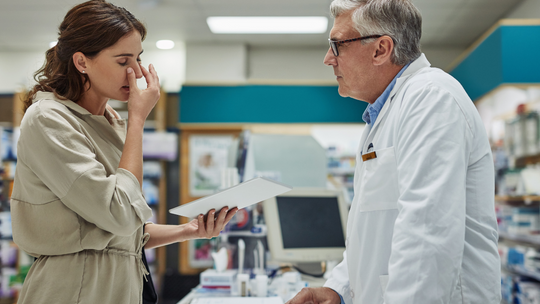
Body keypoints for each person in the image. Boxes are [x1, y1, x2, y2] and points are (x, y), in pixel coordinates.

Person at [10, 1, 238, 303]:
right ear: (81, 62)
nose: (137, 72)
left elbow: (127, 228)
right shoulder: (48, 119)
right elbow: (117, 214)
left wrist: (189, 231)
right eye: (123, 61)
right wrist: (138, 121)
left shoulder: (112, 121)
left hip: (121, 285)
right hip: (74, 289)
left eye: (138, 58)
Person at [287, 0, 501, 303]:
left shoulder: (431, 99)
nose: (328, 59)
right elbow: (370, 232)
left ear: (381, 49)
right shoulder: (383, 115)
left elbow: (427, 235)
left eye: (336, 45)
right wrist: (339, 289)